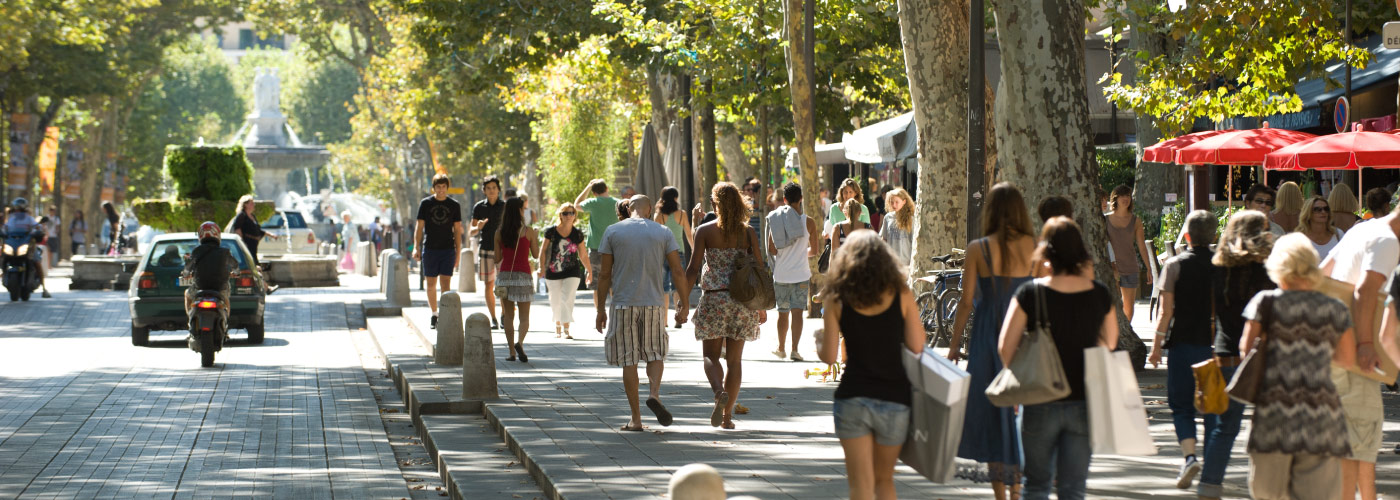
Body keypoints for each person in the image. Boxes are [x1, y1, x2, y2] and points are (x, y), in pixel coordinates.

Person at [998, 216, 1117, 500]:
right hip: (1084, 401)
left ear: (1046, 250)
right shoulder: (1099, 293)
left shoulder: (1030, 293)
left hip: (1039, 399)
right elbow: (1110, 342)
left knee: (1037, 486)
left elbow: (1005, 347)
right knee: (1073, 489)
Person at [1240, 233, 1355, 500]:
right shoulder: (1335, 309)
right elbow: (1347, 359)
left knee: (1268, 493)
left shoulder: (1265, 302)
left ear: (1277, 265)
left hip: (1274, 412)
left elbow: (1247, 351)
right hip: (1321, 414)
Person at [816, 230, 924, 500]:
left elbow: (829, 357)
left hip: (853, 396)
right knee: (885, 481)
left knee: (860, 487)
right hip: (895, 398)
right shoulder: (901, 293)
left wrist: (819, 341)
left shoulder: (836, 297)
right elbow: (918, 345)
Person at [948, 182, 1035, 497]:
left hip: (987, 338)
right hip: (1023, 339)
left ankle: (1002, 495)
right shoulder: (1033, 247)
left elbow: (967, 301)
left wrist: (955, 345)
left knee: (991, 414)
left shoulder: (977, 248)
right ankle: (1017, 489)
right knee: (1021, 413)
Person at [1319, 198, 1398, 500]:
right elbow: (1366, 290)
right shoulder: (1389, 241)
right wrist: (1365, 343)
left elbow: (1323, 273)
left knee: (1352, 446)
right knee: (1360, 443)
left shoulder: (1361, 229)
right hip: (1356, 355)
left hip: (1334, 349)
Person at [596, 195, 689, 431]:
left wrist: (599, 309)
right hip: (654, 303)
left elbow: (604, 274)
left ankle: (636, 419)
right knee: (655, 354)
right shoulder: (663, 232)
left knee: (629, 360)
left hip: (623, 303)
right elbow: (677, 270)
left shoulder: (613, 231)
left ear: (628, 208)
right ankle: (654, 394)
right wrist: (685, 303)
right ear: (649, 210)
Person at [1204, 210, 1276, 500]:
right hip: (1261, 356)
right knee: (1266, 427)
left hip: (1225, 353)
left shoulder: (1218, 268)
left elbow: (1210, 313)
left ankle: (1209, 484)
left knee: (1225, 426)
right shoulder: (1265, 272)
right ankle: (1267, 487)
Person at [1148, 210, 1219, 491]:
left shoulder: (1174, 266)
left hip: (1181, 344)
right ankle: (1212, 464)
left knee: (1181, 405)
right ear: (1214, 236)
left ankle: (1189, 457)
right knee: (1212, 407)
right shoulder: (1221, 266)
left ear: (1186, 236)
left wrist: (1155, 348)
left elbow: (1165, 312)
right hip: (1212, 346)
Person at [688, 183, 767, 430]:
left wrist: (681, 300)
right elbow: (759, 268)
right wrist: (761, 305)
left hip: (714, 298)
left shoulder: (704, 231)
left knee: (710, 356)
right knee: (735, 361)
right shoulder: (748, 233)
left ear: (715, 205)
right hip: (742, 302)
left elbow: (692, 268)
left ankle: (718, 391)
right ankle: (727, 417)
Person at [767, 182, 820, 361]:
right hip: (801, 274)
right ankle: (795, 350)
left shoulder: (775, 220)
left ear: (784, 199)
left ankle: (781, 348)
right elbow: (815, 251)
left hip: (781, 274)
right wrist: (801, 253)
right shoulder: (809, 222)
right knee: (798, 312)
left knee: (782, 313)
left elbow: (772, 249)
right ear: (801, 199)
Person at [414, 174, 464, 330]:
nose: (441, 190)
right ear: (434, 188)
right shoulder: (426, 204)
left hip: (448, 249)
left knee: (445, 284)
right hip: (430, 248)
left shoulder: (454, 205)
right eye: (438, 187)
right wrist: (416, 246)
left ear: (447, 188)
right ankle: (434, 313)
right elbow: (419, 227)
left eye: (443, 187)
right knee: (430, 283)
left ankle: (444, 313)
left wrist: (458, 252)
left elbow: (457, 230)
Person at [495, 197, 538, 362]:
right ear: (520, 211)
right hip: (524, 276)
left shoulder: (499, 232)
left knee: (508, 316)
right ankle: (520, 342)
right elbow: (534, 254)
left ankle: (512, 352)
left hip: (505, 276)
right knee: (524, 317)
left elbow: (497, 259)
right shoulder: (529, 231)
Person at [1104, 184, 1154, 321]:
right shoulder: (1105, 220)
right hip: (1111, 269)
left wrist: (1149, 268)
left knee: (1129, 308)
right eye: (1122, 196)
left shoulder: (1136, 221)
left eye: (1128, 196)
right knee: (1111, 306)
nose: (1125, 199)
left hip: (1130, 267)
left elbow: (1141, 246)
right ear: (1115, 198)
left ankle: (1126, 334)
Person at [542, 203, 590, 339]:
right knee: (555, 299)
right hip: (553, 271)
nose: (569, 216)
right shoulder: (551, 231)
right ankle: (557, 324)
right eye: (565, 213)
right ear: (560, 215)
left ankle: (566, 328)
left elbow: (583, 254)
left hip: (572, 271)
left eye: (571, 213)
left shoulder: (577, 233)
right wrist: (541, 267)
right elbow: (543, 251)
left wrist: (590, 271)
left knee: (567, 297)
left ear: (575, 216)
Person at [183, 221, 237, 322]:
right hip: (220, 288)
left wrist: (186, 275)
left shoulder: (196, 251)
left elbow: (187, 268)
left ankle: (190, 321)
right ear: (217, 235)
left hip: (200, 287)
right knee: (225, 299)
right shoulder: (225, 252)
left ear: (200, 236)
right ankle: (225, 324)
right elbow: (236, 266)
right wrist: (236, 273)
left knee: (187, 294)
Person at [654, 186, 694, 318]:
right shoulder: (682, 214)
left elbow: (655, 237)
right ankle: (679, 315)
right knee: (678, 285)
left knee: (663, 288)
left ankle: (664, 319)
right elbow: (688, 234)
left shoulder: (659, 215)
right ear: (676, 198)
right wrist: (694, 249)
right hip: (678, 252)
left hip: (662, 254)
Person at [472, 175, 506, 329]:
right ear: (484, 191)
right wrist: (477, 227)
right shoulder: (479, 207)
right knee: (488, 285)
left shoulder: (505, 206)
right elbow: (471, 231)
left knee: (503, 284)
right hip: (485, 250)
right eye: (488, 188)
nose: (491, 191)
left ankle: (505, 315)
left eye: (494, 188)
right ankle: (493, 318)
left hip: (503, 250)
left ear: (498, 190)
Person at [576, 179, 620, 291]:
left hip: (596, 248)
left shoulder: (592, 203)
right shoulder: (618, 203)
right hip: (614, 248)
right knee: (614, 284)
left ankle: (599, 309)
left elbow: (576, 205)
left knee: (597, 285)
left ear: (594, 193)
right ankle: (614, 309)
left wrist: (587, 187)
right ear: (607, 189)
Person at [230, 195, 277, 266]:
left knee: (254, 261)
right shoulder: (242, 215)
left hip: (253, 244)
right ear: (245, 205)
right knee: (251, 262)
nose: (253, 205)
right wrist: (242, 243)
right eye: (251, 203)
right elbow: (237, 229)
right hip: (247, 243)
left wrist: (270, 235)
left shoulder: (253, 216)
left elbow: (258, 230)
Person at [878, 188, 914, 268]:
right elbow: (884, 239)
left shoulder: (911, 219)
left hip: (906, 262)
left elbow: (914, 242)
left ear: (904, 202)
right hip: (891, 262)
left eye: (897, 202)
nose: (894, 205)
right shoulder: (887, 217)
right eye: (892, 202)